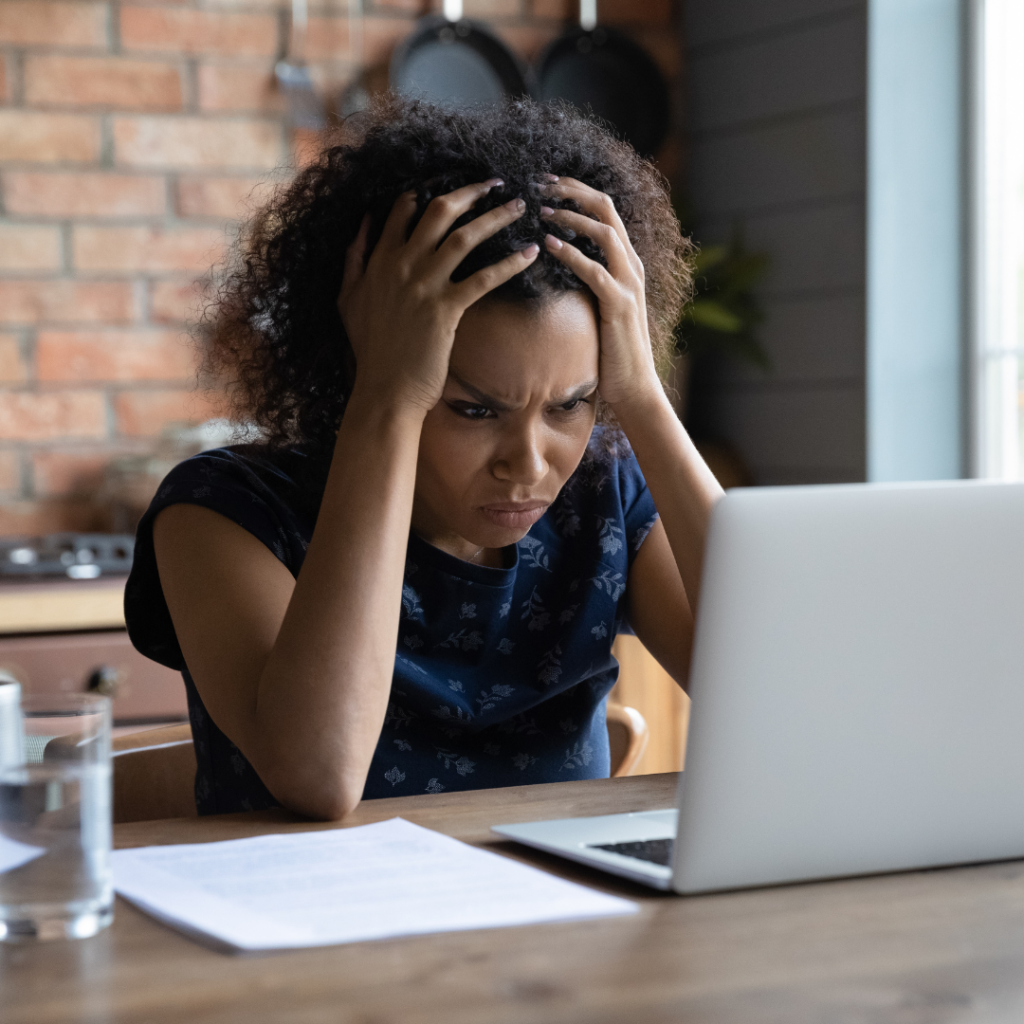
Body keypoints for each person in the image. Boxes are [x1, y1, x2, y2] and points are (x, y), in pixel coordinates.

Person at [125, 97, 723, 819]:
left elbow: (789, 699)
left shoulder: (604, 493)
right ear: (366, 364)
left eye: (571, 405)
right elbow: (318, 774)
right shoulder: (226, 513)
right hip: (318, 927)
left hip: (553, 925)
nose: (529, 463)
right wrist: (385, 401)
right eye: (473, 410)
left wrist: (643, 397)